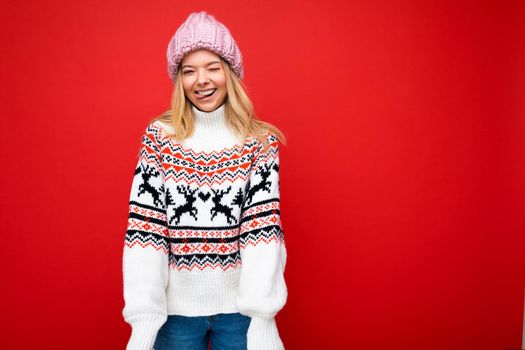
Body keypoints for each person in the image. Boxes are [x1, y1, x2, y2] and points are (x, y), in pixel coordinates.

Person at [121, 11, 288, 350]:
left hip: (240, 313)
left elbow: (263, 232)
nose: (202, 80)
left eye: (213, 67)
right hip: (175, 315)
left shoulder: (259, 142)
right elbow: (145, 232)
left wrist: (262, 317)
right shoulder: (160, 138)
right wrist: (143, 323)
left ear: (231, 73)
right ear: (179, 80)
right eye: (189, 71)